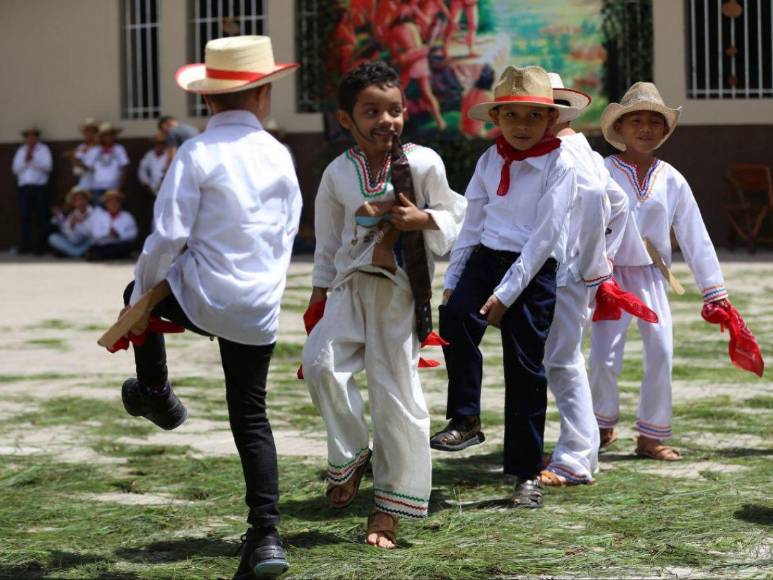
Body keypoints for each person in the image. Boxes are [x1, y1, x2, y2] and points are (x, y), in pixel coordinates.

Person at [116, 36, 300, 579]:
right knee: (251, 416)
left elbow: (167, 235)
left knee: (133, 294)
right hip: (259, 308)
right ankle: (266, 536)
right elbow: (289, 230)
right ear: (264, 95)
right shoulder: (279, 153)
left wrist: (143, 300)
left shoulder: (196, 150)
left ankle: (156, 393)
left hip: (204, 296)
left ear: (207, 100)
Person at [301, 61, 466, 548]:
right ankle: (352, 455)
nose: (386, 121)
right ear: (346, 119)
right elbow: (328, 245)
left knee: (395, 395)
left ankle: (389, 508)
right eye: (371, 111)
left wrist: (424, 219)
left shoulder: (424, 163)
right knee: (319, 364)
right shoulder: (337, 173)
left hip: (399, 293)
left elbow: (456, 217)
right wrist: (316, 297)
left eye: (394, 110)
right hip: (350, 288)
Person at [430, 65, 577, 508]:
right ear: (496, 119)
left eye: (533, 116)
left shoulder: (561, 162)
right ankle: (466, 418)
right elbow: (473, 223)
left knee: (525, 369)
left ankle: (525, 475)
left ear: (551, 120)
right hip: (486, 259)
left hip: (534, 271)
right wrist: (454, 280)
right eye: (511, 116)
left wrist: (507, 294)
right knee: (453, 317)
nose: (521, 126)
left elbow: (545, 237)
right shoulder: (488, 159)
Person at [589, 82, 732, 461]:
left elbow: (694, 234)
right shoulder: (601, 171)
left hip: (653, 274)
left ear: (664, 130)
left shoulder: (672, 178)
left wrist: (713, 290)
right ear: (619, 128)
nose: (645, 128)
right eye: (635, 120)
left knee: (661, 349)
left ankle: (650, 436)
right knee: (603, 355)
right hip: (610, 277)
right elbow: (584, 222)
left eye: (654, 121)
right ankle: (601, 423)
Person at [539, 73, 653, 486]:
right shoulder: (574, 148)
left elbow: (599, 202)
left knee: (562, 362)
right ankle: (577, 450)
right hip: (569, 271)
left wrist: (591, 260)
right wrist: (601, 257)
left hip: (565, 273)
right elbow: (619, 204)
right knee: (561, 362)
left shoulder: (567, 152)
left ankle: (575, 457)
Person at [12, 126, 53, 255]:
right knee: (25, 217)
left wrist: (33, 160)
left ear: (37, 137)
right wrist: (25, 160)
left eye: (33, 136)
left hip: (39, 187)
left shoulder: (43, 149)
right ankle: (25, 246)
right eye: (28, 136)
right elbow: (15, 169)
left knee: (41, 217)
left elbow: (48, 167)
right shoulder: (21, 150)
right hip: (24, 187)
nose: (30, 139)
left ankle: (41, 247)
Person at [82, 122, 129, 204]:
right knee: (98, 211)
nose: (108, 137)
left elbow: (125, 168)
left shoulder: (119, 149)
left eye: (111, 135)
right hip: (97, 187)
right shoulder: (95, 150)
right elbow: (87, 166)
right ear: (101, 137)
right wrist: (75, 160)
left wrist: (120, 186)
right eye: (105, 135)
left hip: (114, 187)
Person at [87, 189, 138, 260]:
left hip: (120, 244)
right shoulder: (99, 216)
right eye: (110, 202)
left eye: (116, 202)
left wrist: (119, 235)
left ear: (120, 203)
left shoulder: (127, 216)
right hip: (104, 245)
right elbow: (95, 234)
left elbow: (133, 233)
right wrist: (107, 233)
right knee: (95, 248)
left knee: (127, 247)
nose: (113, 204)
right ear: (106, 204)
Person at [48, 186, 95, 258]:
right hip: (75, 242)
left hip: (88, 240)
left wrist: (82, 223)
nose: (79, 202)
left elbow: (94, 233)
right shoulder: (71, 216)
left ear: (86, 200)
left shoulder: (94, 212)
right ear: (73, 203)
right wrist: (72, 226)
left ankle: (74, 253)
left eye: (81, 199)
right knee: (53, 238)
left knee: (95, 240)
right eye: (76, 200)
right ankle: (77, 252)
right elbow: (73, 239)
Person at [66, 118, 100, 191]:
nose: (89, 134)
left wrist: (78, 162)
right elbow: (76, 171)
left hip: (99, 185)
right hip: (84, 184)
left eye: (92, 131)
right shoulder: (80, 147)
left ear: (96, 133)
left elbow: (92, 168)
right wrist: (73, 158)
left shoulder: (100, 148)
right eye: (87, 131)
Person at [137, 132, 170, 196]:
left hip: (167, 189)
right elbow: (142, 169)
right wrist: (146, 182)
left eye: (161, 143)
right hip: (152, 190)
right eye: (157, 143)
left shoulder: (169, 155)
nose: (159, 145)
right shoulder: (149, 155)